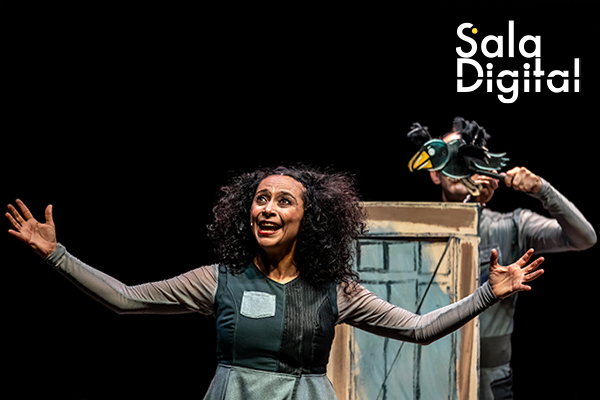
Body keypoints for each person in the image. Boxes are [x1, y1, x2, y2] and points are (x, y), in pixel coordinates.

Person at [6, 164, 545, 400]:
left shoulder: (335, 290)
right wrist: (57, 256)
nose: (267, 208)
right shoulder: (218, 280)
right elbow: (126, 300)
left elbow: (421, 328)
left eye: (283, 200)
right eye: (260, 199)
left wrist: (487, 293)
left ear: (309, 219)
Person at [423, 118, 597, 400]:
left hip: (490, 381)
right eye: (451, 157)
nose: (460, 167)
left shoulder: (512, 226)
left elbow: (584, 238)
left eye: (468, 157)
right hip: (432, 374)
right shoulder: (416, 231)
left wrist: (542, 189)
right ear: (435, 172)